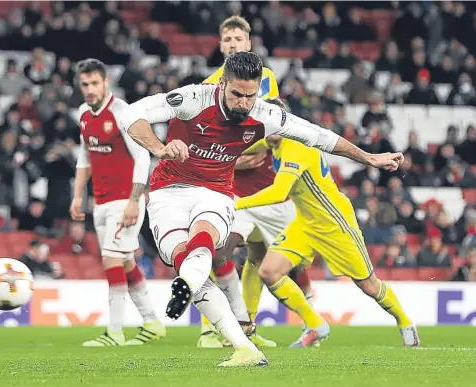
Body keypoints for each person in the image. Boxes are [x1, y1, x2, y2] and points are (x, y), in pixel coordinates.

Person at [120, 51, 404, 366]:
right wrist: (160, 147)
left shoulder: (265, 114)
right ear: (223, 83)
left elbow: (319, 137)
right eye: (236, 94)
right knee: (183, 257)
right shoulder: (194, 98)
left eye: (250, 95)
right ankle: (244, 347)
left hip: (216, 192)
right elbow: (132, 114)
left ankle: (187, 283)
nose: (243, 102)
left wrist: (369, 158)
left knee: (204, 239)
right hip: (167, 191)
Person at [234, 130, 419, 347]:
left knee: (369, 285)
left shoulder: (296, 146)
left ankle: (405, 322)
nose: (264, 132)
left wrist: (236, 204)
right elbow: (236, 149)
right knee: (269, 272)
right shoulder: (272, 140)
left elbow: (277, 192)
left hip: (334, 222)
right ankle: (315, 324)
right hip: (305, 223)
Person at [202, 16, 311, 349]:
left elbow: (268, 125)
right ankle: (209, 330)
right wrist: (235, 155)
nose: (233, 43)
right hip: (228, 179)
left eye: (239, 38)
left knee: (259, 256)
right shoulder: (208, 86)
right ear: (220, 46)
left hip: (263, 178)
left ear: (248, 44)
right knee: (217, 252)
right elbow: (211, 138)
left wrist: (255, 148)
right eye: (227, 39)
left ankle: (245, 325)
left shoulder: (267, 79)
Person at [69, 59, 166, 347]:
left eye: (95, 83)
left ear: (106, 82)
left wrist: (135, 201)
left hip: (125, 201)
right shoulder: (84, 114)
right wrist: (77, 195)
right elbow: (86, 156)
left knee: (111, 261)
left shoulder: (123, 112)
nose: (90, 89)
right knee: (124, 262)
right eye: (85, 84)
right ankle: (151, 322)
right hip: (101, 201)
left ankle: (114, 332)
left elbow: (142, 157)